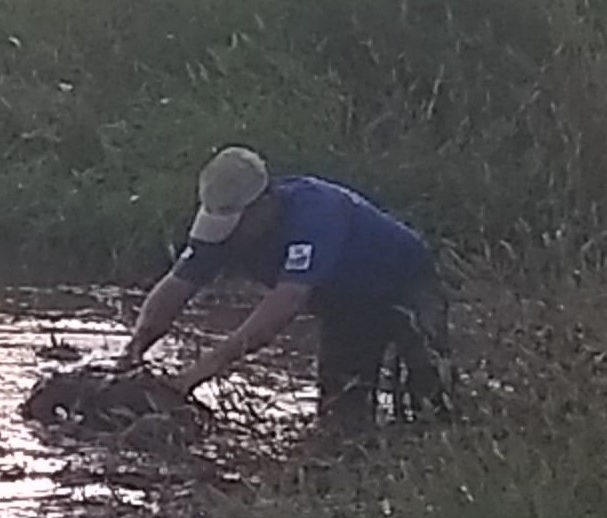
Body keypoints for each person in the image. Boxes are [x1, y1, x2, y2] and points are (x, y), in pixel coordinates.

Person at [117, 145, 454, 433]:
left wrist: (195, 375)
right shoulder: (222, 233)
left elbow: (284, 303)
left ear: (265, 202)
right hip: (344, 306)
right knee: (340, 415)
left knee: (431, 395)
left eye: (237, 223)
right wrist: (134, 350)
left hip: (407, 283)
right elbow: (176, 286)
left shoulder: (315, 212)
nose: (230, 235)